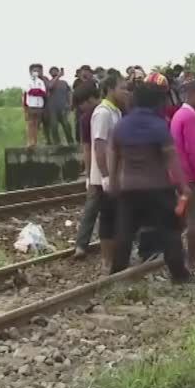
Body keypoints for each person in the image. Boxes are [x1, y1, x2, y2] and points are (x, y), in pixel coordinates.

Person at [107, 75, 192, 283]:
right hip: (158, 188)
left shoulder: (122, 125)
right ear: (157, 102)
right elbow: (172, 160)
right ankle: (179, 275)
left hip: (129, 188)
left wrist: (114, 182)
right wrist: (183, 187)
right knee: (170, 233)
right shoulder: (160, 125)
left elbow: (113, 155)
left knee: (124, 232)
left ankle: (117, 273)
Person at [74, 72, 128, 268]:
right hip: (106, 175)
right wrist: (104, 175)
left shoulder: (117, 112)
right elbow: (98, 145)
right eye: (122, 88)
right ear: (111, 89)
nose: (126, 92)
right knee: (107, 217)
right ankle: (107, 261)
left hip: (116, 173)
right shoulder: (103, 113)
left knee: (115, 216)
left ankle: (115, 258)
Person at [168, 76, 195, 272]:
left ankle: (178, 257)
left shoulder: (178, 115)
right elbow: (194, 152)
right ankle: (191, 261)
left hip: (178, 177)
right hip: (191, 179)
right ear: (192, 95)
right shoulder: (191, 117)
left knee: (181, 219)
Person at [44, 67, 73, 145]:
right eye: (52, 71)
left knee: (66, 125)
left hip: (63, 107)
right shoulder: (48, 82)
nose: (54, 72)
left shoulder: (64, 82)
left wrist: (70, 104)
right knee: (54, 126)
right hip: (52, 108)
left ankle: (71, 142)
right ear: (50, 73)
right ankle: (57, 144)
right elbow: (50, 86)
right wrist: (58, 76)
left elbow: (69, 92)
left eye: (56, 71)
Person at [23, 63, 48, 148]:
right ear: (30, 72)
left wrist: (36, 91)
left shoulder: (41, 82)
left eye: (37, 71)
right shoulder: (28, 82)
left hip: (39, 105)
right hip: (31, 105)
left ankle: (35, 141)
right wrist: (37, 91)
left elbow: (43, 92)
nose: (35, 72)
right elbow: (29, 91)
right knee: (30, 123)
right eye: (34, 71)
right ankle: (30, 141)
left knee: (37, 124)